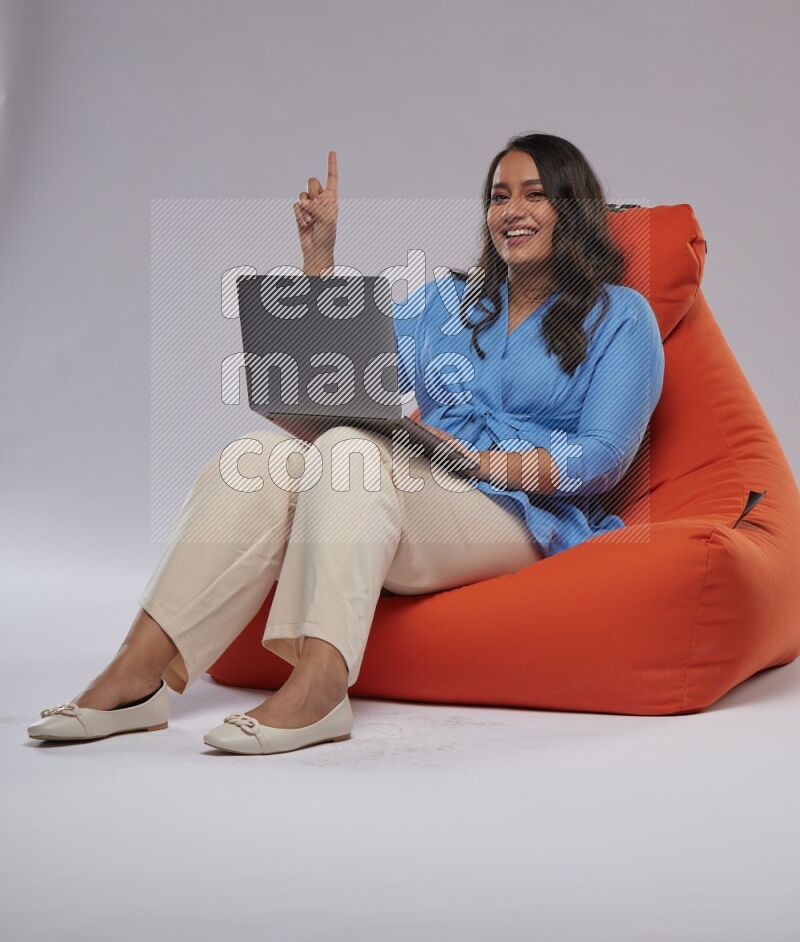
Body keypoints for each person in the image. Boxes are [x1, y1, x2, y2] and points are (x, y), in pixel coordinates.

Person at [27, 132, 664, 755]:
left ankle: (321, 688)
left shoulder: (620, 314)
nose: (511, 211)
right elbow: (352, 377)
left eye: (534, 194)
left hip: (518, 515)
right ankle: (136, 675)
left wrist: (478, 459)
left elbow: (605, 456)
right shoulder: (452, 302)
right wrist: (320, 260)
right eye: (499, 196)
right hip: (418, 488)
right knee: (260, 458)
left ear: (573, 207)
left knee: (351, 452)